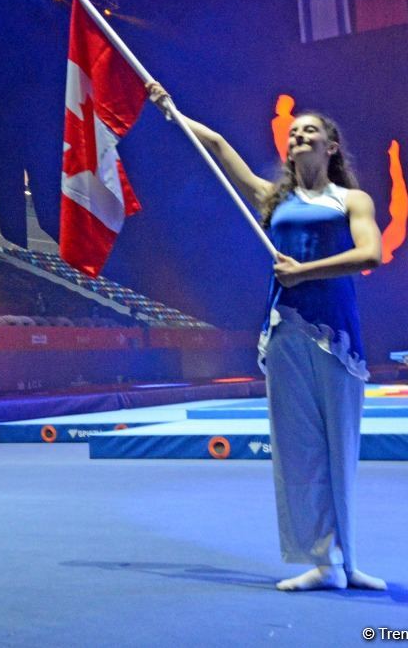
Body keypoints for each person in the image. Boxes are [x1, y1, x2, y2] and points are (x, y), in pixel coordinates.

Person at [146, 81, 386, 593]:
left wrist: (305, 272)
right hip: (283, 332)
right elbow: (215, 147)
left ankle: (349, 556)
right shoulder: (270, 197)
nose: (299, 136)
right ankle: (322, 561)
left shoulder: (351, 199)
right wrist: (171, 108)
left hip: (336, 334)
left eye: (310, 131)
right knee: (298, 449)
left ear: (331, 146)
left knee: (340, 445)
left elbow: (371, 255)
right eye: (294, 132)